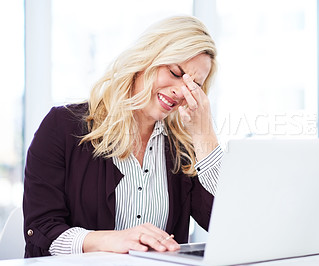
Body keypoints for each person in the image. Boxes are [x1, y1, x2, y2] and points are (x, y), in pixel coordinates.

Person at [23, 15, 222, 258]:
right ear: (145, 59)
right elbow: (42, 231)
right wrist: (113, 239)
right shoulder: (62, 127)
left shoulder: (182, 148)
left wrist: (205, 138)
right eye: (175, 72)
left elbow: (225, 223)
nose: (181, 92)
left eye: (194, 86)